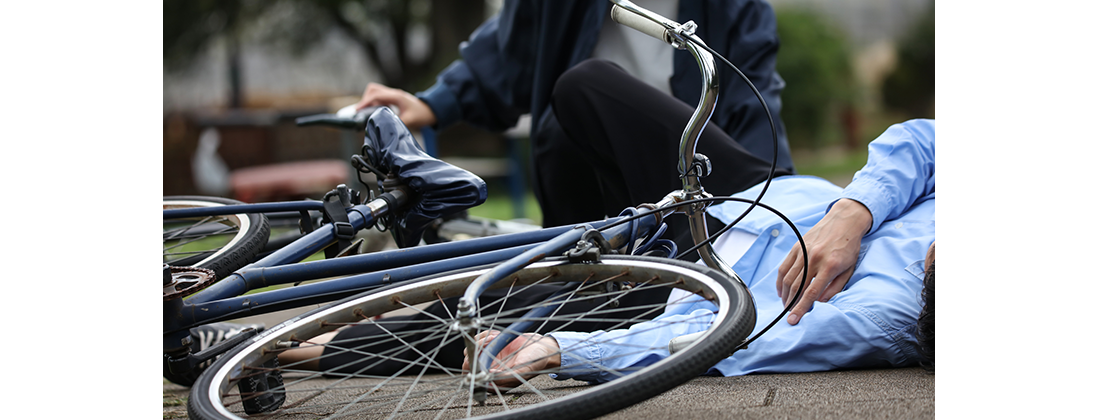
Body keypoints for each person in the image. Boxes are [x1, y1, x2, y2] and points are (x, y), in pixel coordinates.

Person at [465, 118, 935, 387]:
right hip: (756, 198)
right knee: (586, 91)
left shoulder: (887, 315)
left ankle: (397, 308)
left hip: (690, 285)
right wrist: (852, 213)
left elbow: (731, 340)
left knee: (471, 317)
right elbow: (926, 140)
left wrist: (559, 350)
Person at [352, 0, 796, 255]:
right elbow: (511, 49)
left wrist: (779, 209)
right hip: (587, 178)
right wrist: (433, 103)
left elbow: (754, 101)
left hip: (690, 180)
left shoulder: (737, 7)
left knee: (584, 85)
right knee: (543, 295)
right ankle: (337, 342)